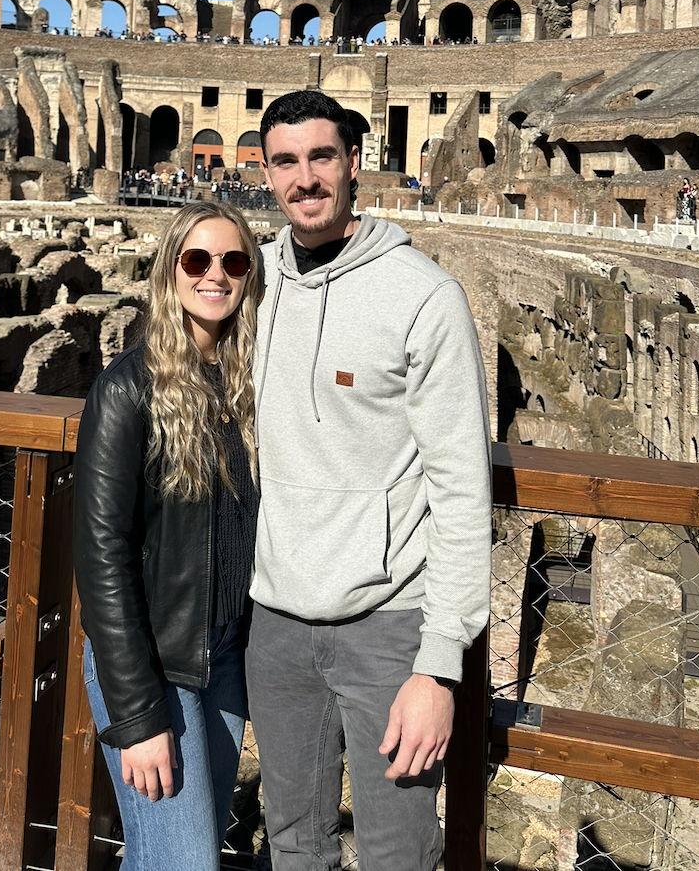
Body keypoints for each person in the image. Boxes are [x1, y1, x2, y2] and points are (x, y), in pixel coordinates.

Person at [247, 89, 492, 870]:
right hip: (275, 619)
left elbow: (461, 489)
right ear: (267, 173)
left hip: (390, 629)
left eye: (322, 157)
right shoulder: (250, 284)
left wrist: (439, 665)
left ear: (355, 163)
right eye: (286, 161)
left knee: (397, 853)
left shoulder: (424, 295)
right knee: (292, 843)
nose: (305, 178)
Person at [73, 202, 263, 871]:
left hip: (225, 659)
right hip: (155, 665)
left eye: (233, 262)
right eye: (198, 260)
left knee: (175, 856)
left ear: (249, 277)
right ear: (169, 272)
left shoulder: (243, 386)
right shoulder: (127, 390)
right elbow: (101, 556)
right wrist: (137, 714)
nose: (216, 275)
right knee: (180, 863)